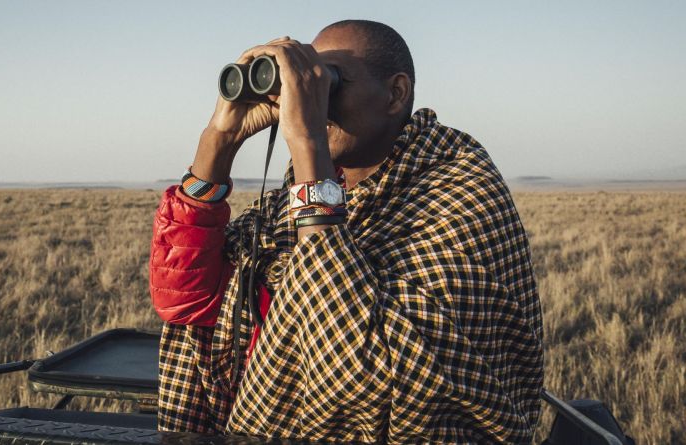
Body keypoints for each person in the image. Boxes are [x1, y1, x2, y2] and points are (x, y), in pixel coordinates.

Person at [149, 19, 544, 444]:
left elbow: (359, 373)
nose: (318, 102)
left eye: (331, 84)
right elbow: (185, 298)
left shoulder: (456, 189)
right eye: (310, 84)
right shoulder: (294, 198)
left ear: (396, 94)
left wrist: (307, 141)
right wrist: (220, 139)